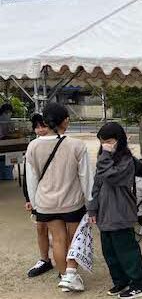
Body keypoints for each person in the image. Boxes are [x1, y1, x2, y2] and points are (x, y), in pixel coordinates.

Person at [25, 103, 93, 292]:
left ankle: (65, 277)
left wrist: (36, 204)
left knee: (58, 240)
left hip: (46, 203)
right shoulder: (77, 145)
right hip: (72, 202)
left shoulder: (33, 146)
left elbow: (31, 179)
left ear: (45, 122)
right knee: (74, 239)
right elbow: (86, 177)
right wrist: (91, 201)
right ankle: (70, 275)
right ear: (65, 121)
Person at [88, 122, 142, 298]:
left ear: (118, 140)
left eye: (108, 141)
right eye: (102, 142)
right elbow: (97, 184)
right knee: (110, 251)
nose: (105, 145)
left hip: (121, 211)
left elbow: (112, 176)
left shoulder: (127, 160)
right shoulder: (104, 159)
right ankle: (120, 281)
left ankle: (138, 283)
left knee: (127, 250)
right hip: (104, 213)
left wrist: (105, 154)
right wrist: (92, 209)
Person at [23, 114, 53, 278]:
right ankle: (44, 259)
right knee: (40, 228)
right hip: (38, 197)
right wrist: (28, 198)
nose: (40, 130)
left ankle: (65, 263)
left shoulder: (60, 144)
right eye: (37, 126)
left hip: (55, 196)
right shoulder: (32, 146)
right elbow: (28, 176)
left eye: (44, 126)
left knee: (58, 230)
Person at [0, 103, 15, 180]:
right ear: (7, 111)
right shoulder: (5, 120)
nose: (10, 114)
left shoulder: (6, 120)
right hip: (6, 147)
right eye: (10, 112)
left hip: (5, 148)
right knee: (7, 169)